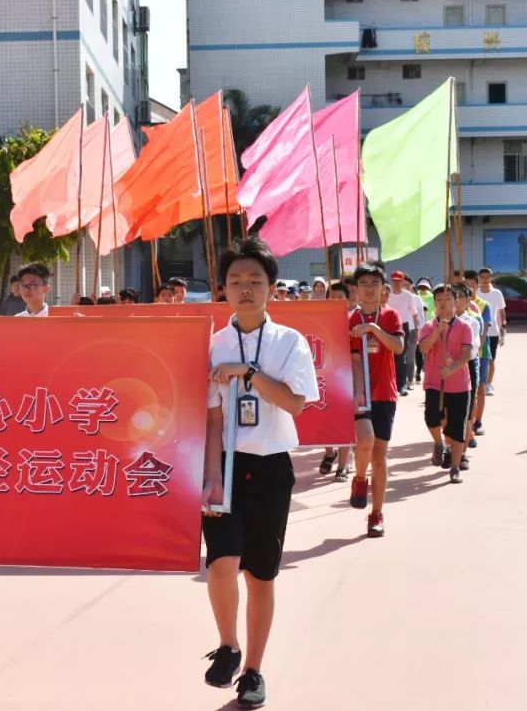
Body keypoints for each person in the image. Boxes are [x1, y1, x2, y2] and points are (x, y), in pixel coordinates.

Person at [202, 237, 319, 709]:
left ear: (272, 287)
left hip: (270, 466)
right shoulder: (211, 344)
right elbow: (211, 418)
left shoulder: (289, 342)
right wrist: (210, 474)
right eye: (235, 281)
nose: (245, 289)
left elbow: (295, 403)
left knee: (260, 576)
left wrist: (247, 373)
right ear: (223, 289)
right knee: (220, 563)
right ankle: (228, 647)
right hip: (226, 465)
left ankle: (253, 671)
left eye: (254, 281)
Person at [349, 262, 404, 538]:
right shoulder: (350, 320)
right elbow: (355, 360)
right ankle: (359, 478)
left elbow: (397, 346)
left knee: (380, 457)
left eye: (374, 284)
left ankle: (376, 514)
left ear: (383, 289)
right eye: (363, 284)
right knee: (365, 440)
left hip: (386, 393)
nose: (369, 290)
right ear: (356, 290)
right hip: (361, 392)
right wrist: (358, 391)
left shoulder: (391, 316)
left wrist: (373, 329)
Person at [418, 283, 474, 484]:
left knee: (457, 426)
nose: (443, 303)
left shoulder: (464, 326)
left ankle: (455, 467)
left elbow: (467, 353)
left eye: (448, 299)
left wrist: (452, 368)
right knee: (432, 418)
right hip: (434, 382)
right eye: (439, 300)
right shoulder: (428, 326)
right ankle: (438, 443)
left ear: (456, 301)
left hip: (459, 384)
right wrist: (437, 332)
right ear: (434, 303)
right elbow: (424, 349)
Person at [319, 280, 355, 481]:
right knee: (326, 418)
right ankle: (329, 452)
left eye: (340, 298)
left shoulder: (353, 318)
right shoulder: (319, 320)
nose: (336, 301)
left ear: (347, 300)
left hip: (347, 377)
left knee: (345, 420)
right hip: (325, 377)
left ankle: (342, 464)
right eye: (331, 298)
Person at [456, 285, 484, 453]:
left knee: (468, 403)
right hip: (448, 367)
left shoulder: (473, 321)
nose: (457, 301)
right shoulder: (442, 321)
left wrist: (458, 356)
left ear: (467, 301)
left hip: (467, 365)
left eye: (461, 297)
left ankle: (466, 438)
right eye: (455, 297)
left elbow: (473, 348)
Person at [387, 271, 421, 396]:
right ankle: (390, 384)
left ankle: (401, 385)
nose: (396, 283)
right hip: (389, 326)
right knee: (389, 356)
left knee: (401, 357)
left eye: (398, 281)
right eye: (394, 280)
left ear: (403, 282)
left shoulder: (408, 296)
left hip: (404, 327)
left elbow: (414, 314)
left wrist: (416, 330)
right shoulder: (387, 294)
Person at [476, 267, 507, 395]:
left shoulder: (497, 293)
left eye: (487, 277)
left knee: (491, 359)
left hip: (493, 331)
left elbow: (501, 312)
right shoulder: (476, 293)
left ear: (491, 278)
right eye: (482, 277)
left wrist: (503, 332)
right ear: (478, 278)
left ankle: (488, 384)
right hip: (478, 330)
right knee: (477, 358)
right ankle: (478, 383)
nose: (484, 279)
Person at [414, 278, 434, 383]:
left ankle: (426, 370)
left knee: (426, 350)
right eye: (421, 287)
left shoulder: (433, 297)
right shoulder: (415, 296)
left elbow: (435, 312)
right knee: (419, 351)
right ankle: (419, 371)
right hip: (418, 327)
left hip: (429, 327)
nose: (423, 289)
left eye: (425, 287)